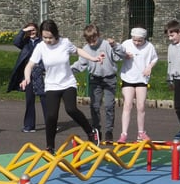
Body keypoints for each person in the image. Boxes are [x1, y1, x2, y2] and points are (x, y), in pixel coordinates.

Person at [20, 19, 101, 154]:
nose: (47, 40)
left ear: (56, 34)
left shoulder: (65, 43)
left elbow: (78, 51)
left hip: (68, 83)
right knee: (51, 116)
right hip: (52, 85)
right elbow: (29, 65)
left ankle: (91, 132)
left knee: (71, 109)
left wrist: (93, 58)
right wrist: (27, 78)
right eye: (44, 37)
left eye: (50, 37)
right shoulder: (40, 47)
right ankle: (50, 147)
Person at [71, 24, 122, 143]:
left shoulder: (106, 45)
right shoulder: (86, 49)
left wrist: (116, 46)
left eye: (93, 40)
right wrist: (69, 70)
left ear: (98, 36)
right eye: (88, 41)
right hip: (95, 79)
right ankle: (96, 130)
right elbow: (81, 64)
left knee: (109, 105)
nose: (92, 43)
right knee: (94, 106)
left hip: (109, 79)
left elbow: (118, 57)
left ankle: (109, 131)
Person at [110, 27, 158, 143]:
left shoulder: (149, 47)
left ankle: (141, 133)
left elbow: (155, 58)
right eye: (134, 40)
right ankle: (124, 134)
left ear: (144, 39)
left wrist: (149, 67)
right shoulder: (126, 43)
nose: (136, 43)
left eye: (139, 41)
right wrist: (124, 55)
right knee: (127, 104)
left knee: (141, 106)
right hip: (128, 77)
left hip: (142, 78)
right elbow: (117, 54)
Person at [7, 22, 46, 133]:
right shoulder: (25, 43)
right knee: (29, 100)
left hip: (40, 73)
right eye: (29, 31)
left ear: (37, 30)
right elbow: (16, 42)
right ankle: (29, 126)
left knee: (45, 100)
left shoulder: (42, 42)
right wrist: (23, 31)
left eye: (33, 30)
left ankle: (51, 124)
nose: (32, 32)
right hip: (28, 74)